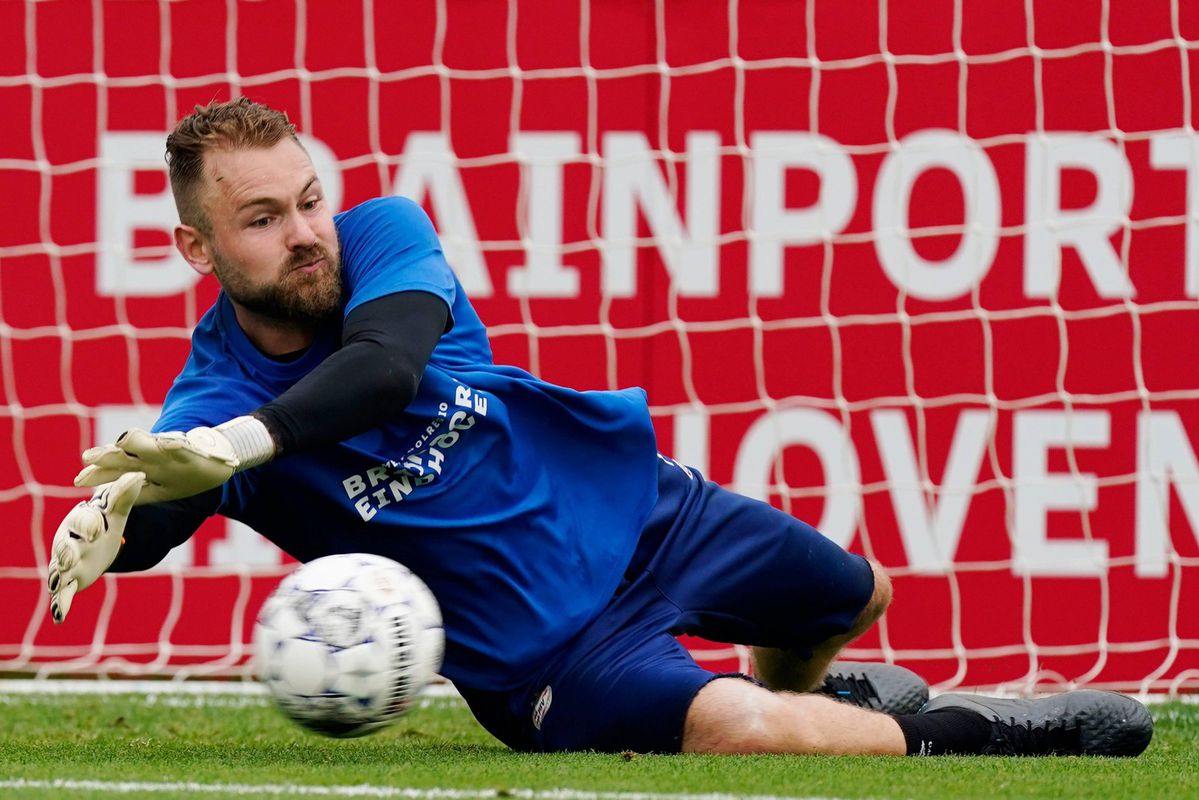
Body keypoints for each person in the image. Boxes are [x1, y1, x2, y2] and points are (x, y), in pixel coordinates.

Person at [47, 98, 1153, 757]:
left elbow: (380, 371)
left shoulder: (382, 236)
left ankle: (813, 696)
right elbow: (160, 502)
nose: (303, 233)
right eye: (260, 218)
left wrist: (245, 446)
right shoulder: (206, 408)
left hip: (645, 510)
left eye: (307, 199)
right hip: (551, 653)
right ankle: (994, 732)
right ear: (198, 252)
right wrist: (119, 515)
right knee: (746, 735)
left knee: (856, 595)